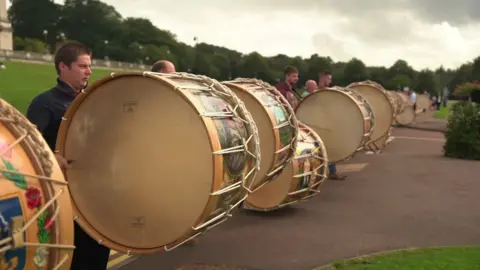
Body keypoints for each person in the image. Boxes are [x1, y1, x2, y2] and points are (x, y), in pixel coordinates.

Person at [26, 41, 111, 270]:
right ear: (63, 67)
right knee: (76, 259)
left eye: (89, 66)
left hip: (96, 193)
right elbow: (29, 147)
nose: (89, 71)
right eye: (83, 66)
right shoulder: (44, 103)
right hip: (64, 198)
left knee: (99, 253)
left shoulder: (93, 101)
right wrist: (52, 157)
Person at [318, 71, 346, 181]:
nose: (330, 81)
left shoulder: (328, 92)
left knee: (331, 148)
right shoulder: (318, 92)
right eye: (329, 79)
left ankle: (333, 172)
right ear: (323, 79)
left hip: (327, 123)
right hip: (321, 124)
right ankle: (327, 172)